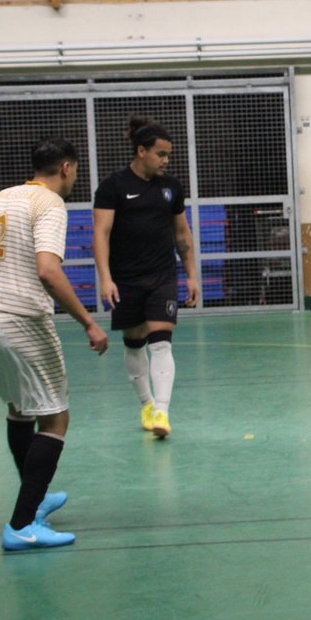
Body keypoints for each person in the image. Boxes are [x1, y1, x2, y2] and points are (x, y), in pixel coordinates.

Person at [0, 137, 109, 551]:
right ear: (68, 168)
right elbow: (47, 271)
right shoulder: (50, 204)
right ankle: (22, 525)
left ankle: (33, 500)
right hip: (20, 318)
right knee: (55, 419)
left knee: (20, 410)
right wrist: (89, 323)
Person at [93, 116, 200, 438]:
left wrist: (192, 276)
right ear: (141, 151)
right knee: (134, 342)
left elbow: (182, 234)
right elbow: (101, 233)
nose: (166, 161)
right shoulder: (113, 186)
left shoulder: (171, 188)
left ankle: (163, 413)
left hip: (162, 276)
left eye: (169, 155)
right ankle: (147, 404)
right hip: (125, 278)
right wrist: (105, 278)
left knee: (161, 342)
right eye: (161, 154)